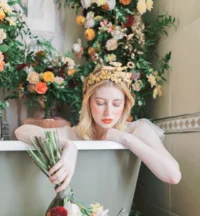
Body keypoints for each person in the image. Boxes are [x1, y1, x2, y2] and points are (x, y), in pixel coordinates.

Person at [15, 63, 181, 193]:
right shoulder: (73, 133)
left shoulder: (137, 131)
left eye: (116, 104)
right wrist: (68, 145)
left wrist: (125, 139)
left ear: (125, 105)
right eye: (100, 103)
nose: (108, 111)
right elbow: (22, 131)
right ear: (88, 103)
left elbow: (173, 176)